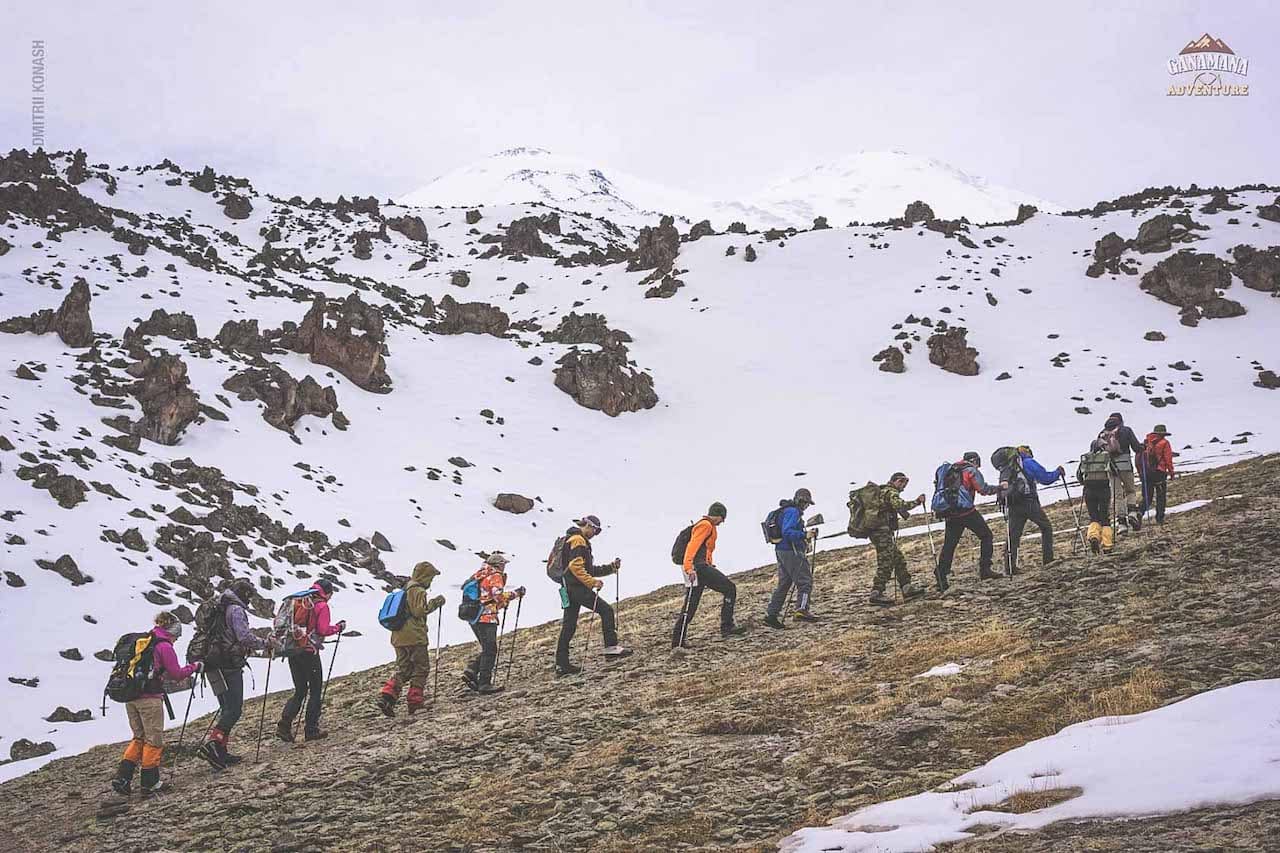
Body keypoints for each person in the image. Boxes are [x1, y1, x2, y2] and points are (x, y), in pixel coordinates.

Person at [111, 611, 202, 796]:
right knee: (154, 740)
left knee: (139, 738)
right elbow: (176, 674)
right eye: (177, 636)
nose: (176, 640)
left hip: (131, 697)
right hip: (150, 699)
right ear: (173, 631)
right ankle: (150, 783)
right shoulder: (163, 646)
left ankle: (122, 778)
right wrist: (195, 667)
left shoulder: (144, 642)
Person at [198, 578, 277, 771]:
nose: (249, 601)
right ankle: (213, 745)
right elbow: (244, 636)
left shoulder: (219, 605)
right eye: (248, 596)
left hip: (212, 662)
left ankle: (221, 753)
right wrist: (265, 643)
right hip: (229, 664)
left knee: (226, 707)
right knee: (234, 709)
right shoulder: (236, 610)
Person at [555, 515, 630, 676]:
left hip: (567, 588)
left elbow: (586, 568)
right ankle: (611, 649)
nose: (595, 533)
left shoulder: (573, 539)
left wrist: (610, 568)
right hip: (578, 588)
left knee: (569, 625)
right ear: (588, 526)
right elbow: (576, 567)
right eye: (595, 530)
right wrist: (592, 582)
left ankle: (561, 664)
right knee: (606, 610)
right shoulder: (578, 541)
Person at [275, 579, 344, 742]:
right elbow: (322, 629)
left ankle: (284, 725)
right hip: (308, 651)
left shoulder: (299, 600)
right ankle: (311, 729)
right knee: (315, 689)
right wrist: (338, 628)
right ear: (327, 593)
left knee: (300, 690)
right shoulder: (321, 605)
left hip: (293, 650)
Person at [671, 502, 747, 648]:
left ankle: (677, 641)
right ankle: (727, 627)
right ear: (718, 515)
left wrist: (708, 564)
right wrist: (689, 568)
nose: (722, 522)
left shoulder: (707, 526)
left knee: (691, 605)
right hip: (698, 568)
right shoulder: (705, 525)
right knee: (730, 588)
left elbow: (706, 550)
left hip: (698, 567)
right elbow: (692, 547)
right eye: (722, 518)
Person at [376, 561, 446, 717]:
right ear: (425, 576)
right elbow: (419, 611)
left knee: (405, 669)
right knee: (421, 668)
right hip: (414, 636)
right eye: (430, 578)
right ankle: (415, 702)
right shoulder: (418, 590)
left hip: (398, 636)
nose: (431, 581)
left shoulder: (405, 588)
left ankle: (387, 695)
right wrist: (436, 602)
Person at [933, 452, 1001, 591]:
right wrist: (1000, 488)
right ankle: (985, 569)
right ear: (975, 461)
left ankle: (941, 576)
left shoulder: (950, 470)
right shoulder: (970, 470)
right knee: (986, 536)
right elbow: (983, 489)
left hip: (950, 513)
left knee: (949, 545)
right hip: (966, 512)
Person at [464, 552, 526, 694]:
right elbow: (497, 595)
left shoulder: (479, 575)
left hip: (474, 616)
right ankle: (484, 682)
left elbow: (486, 596)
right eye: (503, 564)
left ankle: (472, 671)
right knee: (490, 649)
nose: (504, 567)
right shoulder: (495, 575)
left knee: (487, 648)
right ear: (499, 565)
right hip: (487, 617)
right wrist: (515, 594)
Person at [862, 475, 929, 606]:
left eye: (905, 482)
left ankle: (906, 587)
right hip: (881, 532)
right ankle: (876, 593)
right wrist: (917, 501)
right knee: (886, 561)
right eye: (901, 481)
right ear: (893, 481)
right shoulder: (890, 492)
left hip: (879, 532)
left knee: (897, 558)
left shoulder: (883, 491)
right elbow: (901, 505)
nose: (903, 485)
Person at [1001, 446, 1066, 573]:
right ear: (1027, 452)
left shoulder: (1009, 466)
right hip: (1029, 502)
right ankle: (1048, 559)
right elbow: (1045, 478)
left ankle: (1010, 567)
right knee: (1046, 527)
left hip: (1013, 503)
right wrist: (1058, 472)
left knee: (1013, 535)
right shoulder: (1028, 462)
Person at [764, 488, 818, 628]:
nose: (806, 506)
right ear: (801, 501)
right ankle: (802, 609)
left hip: (781, 550)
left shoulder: (785, 511)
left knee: (784, 583)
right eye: (806, 503)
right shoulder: (793, 512)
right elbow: (787, 532)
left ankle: (772, 614)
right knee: (805, 581)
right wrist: (804, 536)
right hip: (791, 551)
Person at [1098, 412, 1145, 532]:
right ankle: (1133, 514)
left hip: (1111, 468)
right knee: (1130, 491)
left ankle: (1122, 524)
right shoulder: (1126, 430)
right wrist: (1142, 447)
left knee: (1117, 495)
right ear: (1121, 421)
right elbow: (1136, 448)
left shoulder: (1102, 434)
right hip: (1125, 466)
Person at [1077, 438, 1116, 554]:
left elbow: (1079, 475)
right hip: (1103, 489)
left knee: (1094, 516)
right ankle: (1107, 545)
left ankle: (1093, 536)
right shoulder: (1106, 457)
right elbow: (1114, 471)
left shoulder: (1086, 458)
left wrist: (1084, 484)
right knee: (1105, 517)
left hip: (1089, 490)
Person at [1138, 424, 1176, 524]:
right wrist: (1171, 472)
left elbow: (1139, 458)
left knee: (1147, 498)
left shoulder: (1146, 442)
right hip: (1160, 472)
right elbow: (1168, 459)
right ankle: (1159, 518)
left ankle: (1139, 513)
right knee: (1161, 496)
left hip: (1147, 473)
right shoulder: (1165, 443)